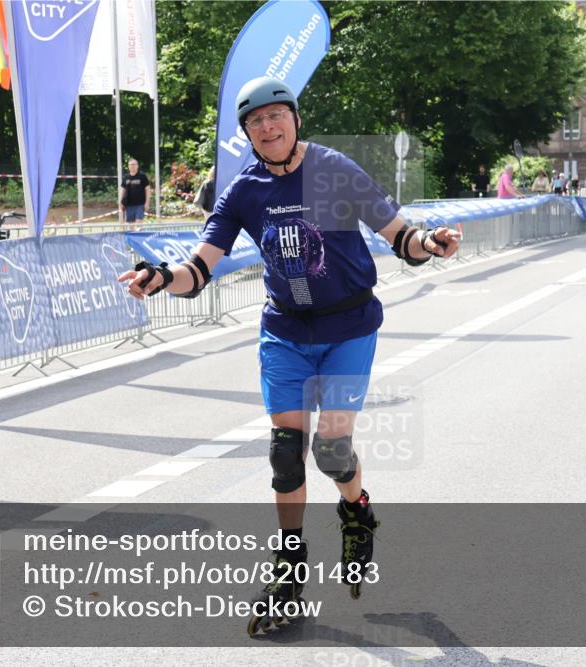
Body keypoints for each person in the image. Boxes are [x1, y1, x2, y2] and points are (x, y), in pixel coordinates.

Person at [118, 76, 461, 635]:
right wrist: (160, 278)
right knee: (285, 453)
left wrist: (431, 243)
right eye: (256, 121)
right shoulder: (244, 191)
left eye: (277, 115)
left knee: (330, 451)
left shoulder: (334, 170)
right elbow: (199, 269)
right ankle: (290, 567)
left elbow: (400, 236)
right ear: (247, 134)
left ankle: (357, 510)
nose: (269, 127)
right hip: (284, 331)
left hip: (349, 325)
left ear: (296, 119)